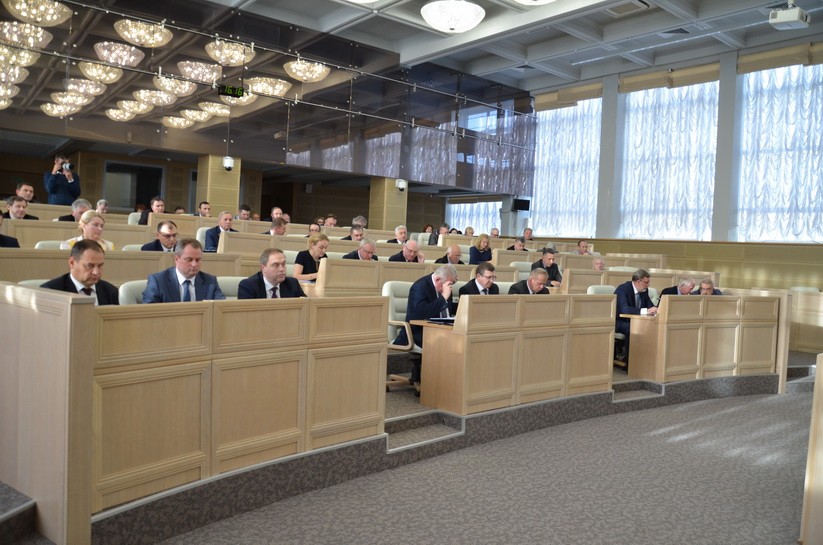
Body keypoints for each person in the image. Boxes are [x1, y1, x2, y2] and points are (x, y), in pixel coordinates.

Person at [393, 264, 458, 389]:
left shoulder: (445, 286)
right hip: (417, 332)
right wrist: (443, 298)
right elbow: (422, 313)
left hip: (440, 329)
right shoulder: (419, 287)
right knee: (447, 344)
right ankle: (436, 385)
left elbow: (447, 311)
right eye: (449, 284)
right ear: (438, 279)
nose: (450, 287)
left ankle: (450, 384)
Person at [142, 239, 224, 303]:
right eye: (189, 260)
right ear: (176, 259)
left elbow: (221, 309)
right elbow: (149, 313)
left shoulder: (210, 282)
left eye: (198, 260)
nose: (194, 264)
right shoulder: (158, 281)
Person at [40, 239, 119, 305]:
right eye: (90, 266)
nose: (96, 272)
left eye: (100, 266)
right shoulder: (51, 292)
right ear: (72, 263)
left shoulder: (111, 291)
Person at [614, 269, 658, 364]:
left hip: (636, 320)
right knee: (633, 328)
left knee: (652, 326)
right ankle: (631, 362)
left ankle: (647, 359)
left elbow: (650, 306)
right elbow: (624, 309)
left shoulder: (644, 290)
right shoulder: (623, 289)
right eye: (646, 282)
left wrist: (655, 310)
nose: (648, 285)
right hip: (620, 321)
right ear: (638, 281)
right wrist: (646, 311)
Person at [238, 248, 306, 299]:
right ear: (263, 268)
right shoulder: (248, 286)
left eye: (283, 264)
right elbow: (245, 313)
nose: (282, 269)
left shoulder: (292, 284)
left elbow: (305, 307)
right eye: (276, 265)